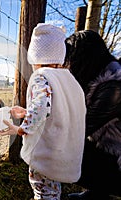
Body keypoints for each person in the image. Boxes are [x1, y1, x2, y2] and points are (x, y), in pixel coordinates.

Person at [0, 23, 86, 200]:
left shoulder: (41, 76)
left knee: (42, 189)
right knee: (52, 189)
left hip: (46, 152)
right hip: (62, 150)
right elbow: (55, 109)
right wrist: (25, 112)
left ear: (35, 56)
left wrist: (21, 129)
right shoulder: (69, 78)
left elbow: (41, 107)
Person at [64, 30, 121, 199]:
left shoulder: (113, 87)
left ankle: (102, 188)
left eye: (70, 59)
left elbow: (79, 128)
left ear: (83, 58)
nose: (67, 65)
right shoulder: (99, 78)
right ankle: (98, 193)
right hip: (113, 152)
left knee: (67, 149)